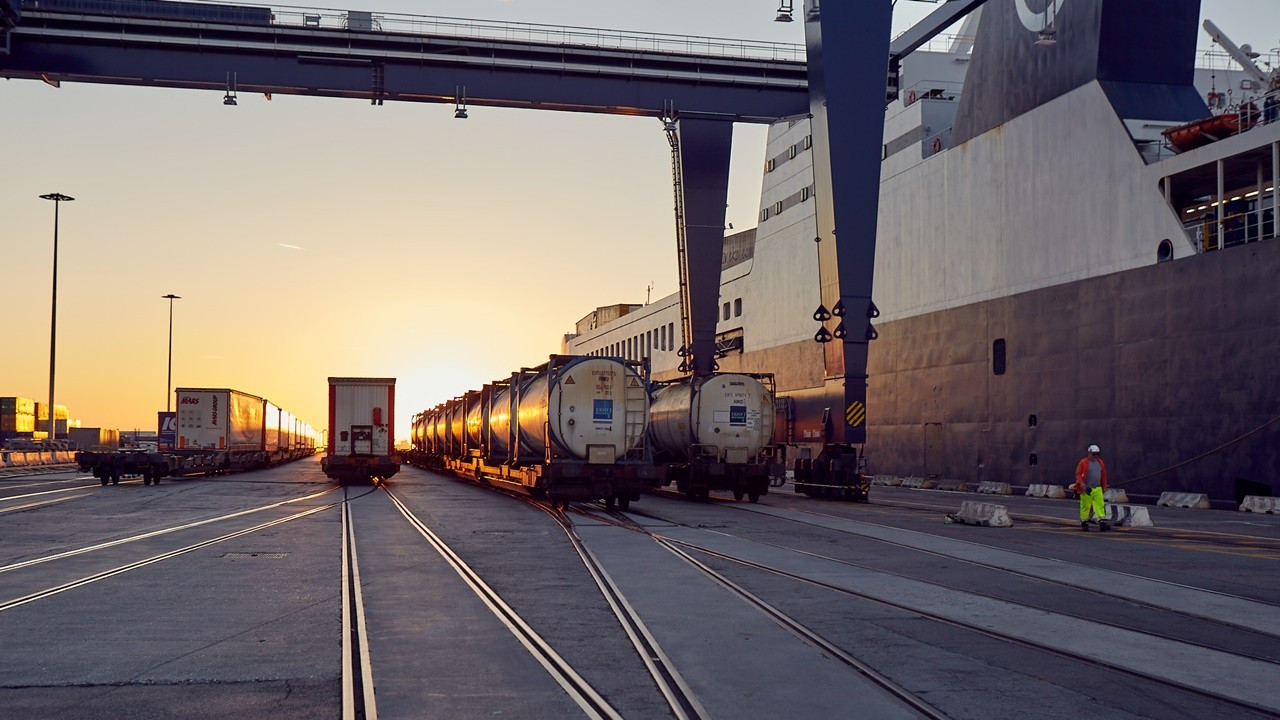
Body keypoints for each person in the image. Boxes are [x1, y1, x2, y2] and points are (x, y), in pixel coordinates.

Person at [1073, 444, 1110, 531]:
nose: (1095, 456)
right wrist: (1082, 484)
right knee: (1085, 506)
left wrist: (1104, 486)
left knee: (1100, 505)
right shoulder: (1083, 462)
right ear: (1089, 453)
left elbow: (1103, 475)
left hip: (1097, 488)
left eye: (1097, 454)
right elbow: (1078, 474)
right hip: (1087, 489)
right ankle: (1084, 522)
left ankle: (1102, 522)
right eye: (1094, 454)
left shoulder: (1100, 463)